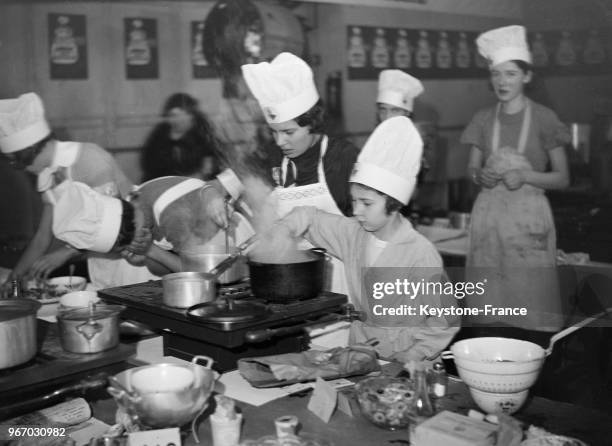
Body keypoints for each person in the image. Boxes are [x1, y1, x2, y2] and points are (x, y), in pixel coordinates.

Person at [267, 116, 459, 362]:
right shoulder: (354, 234)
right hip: (361, 354)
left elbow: (443, 319)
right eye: (354, 200)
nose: (356, 211)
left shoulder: (419, 253)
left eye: (366, 203)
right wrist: (284, 228)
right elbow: (310, 217)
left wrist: (414, 356)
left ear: (393, 203)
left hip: (405, 360)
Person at [461, 25, 570, 343]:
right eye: (496, 74)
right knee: (489, 317)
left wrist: (526, 176)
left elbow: (563, 178)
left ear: (527, 76)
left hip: (528, 228)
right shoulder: (482, 119)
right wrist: (479, 176)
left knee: (529, 316)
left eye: (510, 74)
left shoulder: (545, 118)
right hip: (489, 227)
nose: (502, 82)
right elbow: (470, 169)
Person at [0, 92, 157, 290]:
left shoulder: (90, 160)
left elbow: (118, 227)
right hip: (100, 262)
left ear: (27, 152)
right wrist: (14, 278)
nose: (20, 169)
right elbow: (42, 237)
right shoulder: (48, 173)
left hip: (133, 260)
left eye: (16, 162)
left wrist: (63, 253)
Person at [241, 52, 359, 295]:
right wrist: (214, 192)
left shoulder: (343, 157)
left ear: (312, 123)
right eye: (274, 132)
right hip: (288, 279)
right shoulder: (272, 156)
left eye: (289, 132)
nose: (280, 141)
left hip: (342, 279)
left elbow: (366, 225)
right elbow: (233, 181)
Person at [140, 93, 221, 182]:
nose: (173, 120)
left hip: (197, 186)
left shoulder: (204, 134)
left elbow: (212, 164)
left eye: (177, 115)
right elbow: (148, 163)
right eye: (170, 116)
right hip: (165, 185)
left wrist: (201, 174)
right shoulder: (160, 134)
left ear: (191, 116)